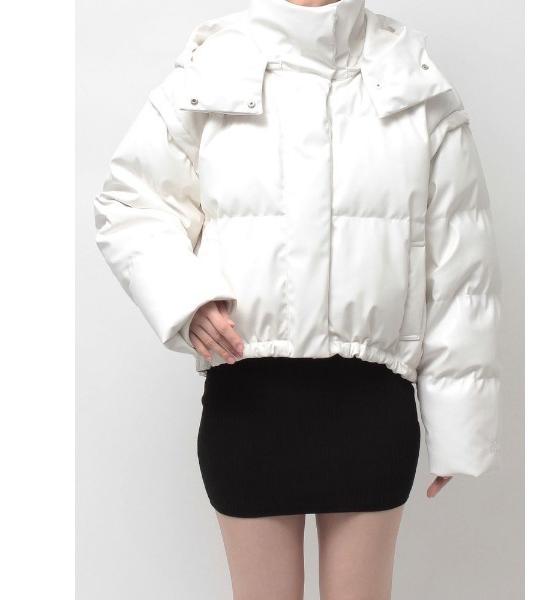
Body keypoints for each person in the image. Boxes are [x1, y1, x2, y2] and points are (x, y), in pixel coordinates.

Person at [94, 0, 502, 597]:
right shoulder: (214, 68)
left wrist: (460, 423)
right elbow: (130, 201)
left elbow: (460, 260)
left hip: (372, 416)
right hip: (248, 408)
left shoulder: (409, 77)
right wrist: (187, 296)